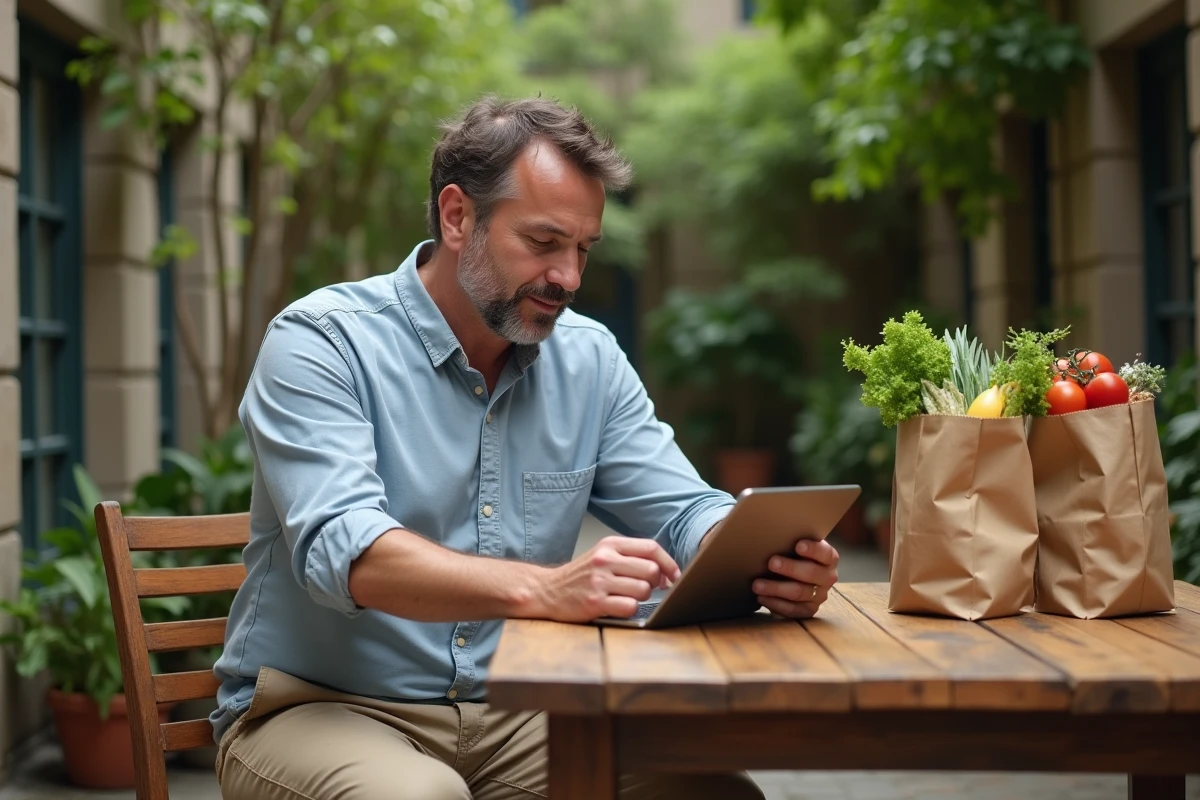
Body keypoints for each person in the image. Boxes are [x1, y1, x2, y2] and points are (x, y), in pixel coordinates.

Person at [212, 95, 840, 800]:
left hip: (519, 714)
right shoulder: (322, 342)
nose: (569, 277)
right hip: (325, 709)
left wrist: (760, 554)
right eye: (544, 243)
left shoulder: (590, 360)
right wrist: (548, 588)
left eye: (583, 249)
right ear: (458, 217)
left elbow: (682, 509)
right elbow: (347, 550)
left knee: (714, 792)